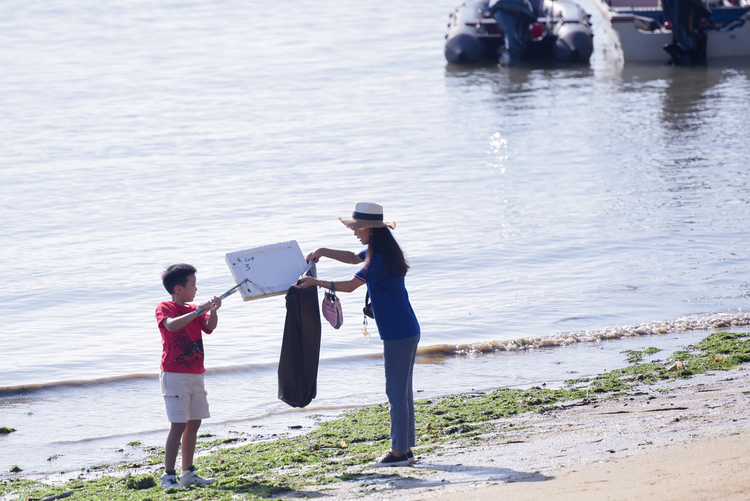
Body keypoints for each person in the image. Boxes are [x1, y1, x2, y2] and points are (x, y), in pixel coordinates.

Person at [295, 202, 421, 467]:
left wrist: (316, 282)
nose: (354, 232)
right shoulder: (382, 251)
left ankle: (398, 452)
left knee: (396, 393)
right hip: (406, 330)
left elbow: (352, 286)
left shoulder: (378, 259)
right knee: (403, 392)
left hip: (399, 333)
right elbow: (354, 257)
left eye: (357, 228)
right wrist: (322, 252)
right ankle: (405, 448)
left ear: (370, 229)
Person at [155, 263, 222, 488]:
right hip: (174, 375)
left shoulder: (194, 308)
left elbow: (210, 327)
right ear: (178, 288)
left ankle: (188, 473)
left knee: (194, 423)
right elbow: (172, 326)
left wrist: (212, 310)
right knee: (178, 425)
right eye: (192, 284)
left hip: (196, 373)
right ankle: (168, 475)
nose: (196, 288)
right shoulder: (165, 307)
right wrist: (197, 311)